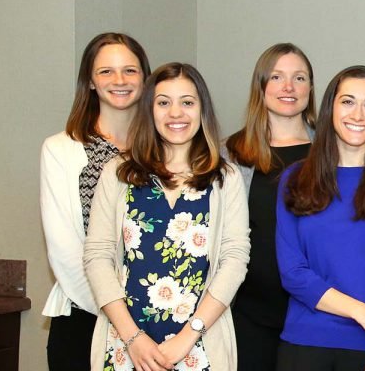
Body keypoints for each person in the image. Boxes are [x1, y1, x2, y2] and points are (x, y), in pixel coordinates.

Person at [84, 62, 250, 371]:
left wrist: (187, 338)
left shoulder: (224, 178)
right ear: (150, 110)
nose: (176, 113)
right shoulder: (119, 173)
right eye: (164, 102)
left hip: (200, 345)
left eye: (187, 102)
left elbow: (234, 258)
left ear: (202, 110)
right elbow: (97, 256)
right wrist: (133, 338)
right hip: (127, 345)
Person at [275, 66, 365, 371]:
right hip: (306, 343)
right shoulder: (294, 178)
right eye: (348, 102)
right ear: (330, 106)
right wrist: (363, 313)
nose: (358, 115)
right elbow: (293, 273)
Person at [40, 32, 150, 371]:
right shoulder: (61, 150)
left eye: (130, 71)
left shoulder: (164, 151)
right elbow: (66, 253)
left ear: (145, 79)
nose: (119, 81)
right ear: (90, 80)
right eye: (106, 71)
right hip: (86, 319)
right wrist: (120, 317)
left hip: (157, 317)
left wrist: (151, 314)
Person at [225, 42, 317, 371]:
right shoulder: (230, 154)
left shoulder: (332, 152)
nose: (288, 87)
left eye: (299, 78)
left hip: (315, 315)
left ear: (310, 87)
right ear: (261, 85)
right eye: (276, 77)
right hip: (247, 315)